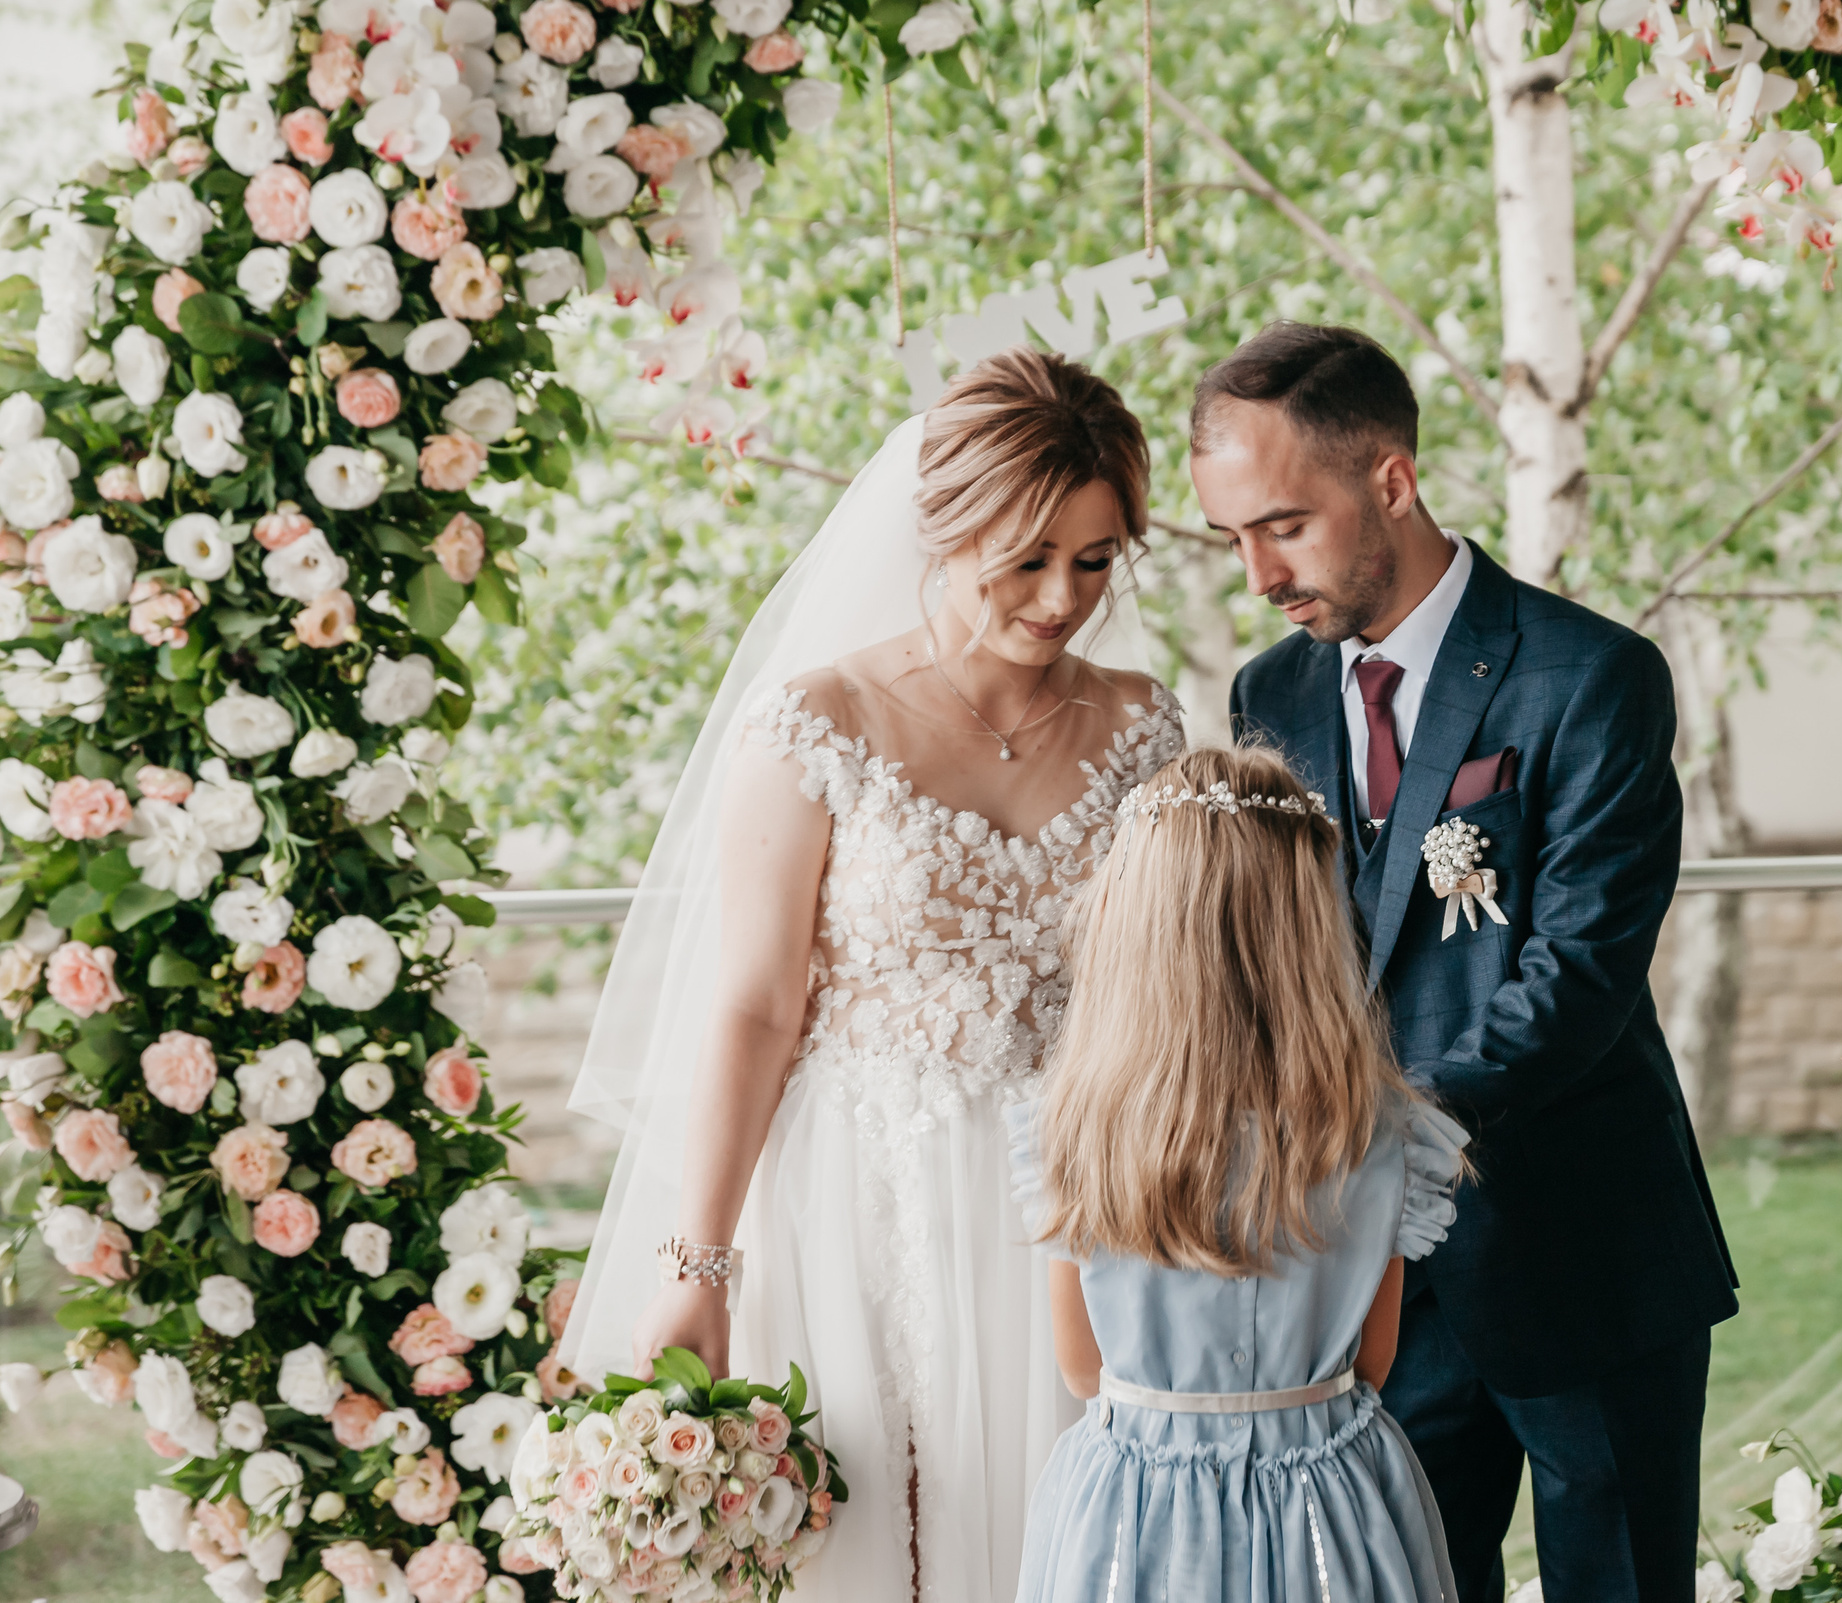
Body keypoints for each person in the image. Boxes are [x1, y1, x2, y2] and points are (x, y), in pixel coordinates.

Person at [561, 347, 1186, 1601]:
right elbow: (754, 1007)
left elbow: (1168, 988)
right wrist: (699, 1266)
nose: (1061, 599)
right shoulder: (817, 722)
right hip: (856, 1194)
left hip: (1071, 1204)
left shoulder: (1141, 727)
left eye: (1095, 559)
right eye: (1026, 559)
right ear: (942, 530)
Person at [1194, 323, 1741, 1602]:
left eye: (1283, 525)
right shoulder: (1270, 693)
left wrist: (1380, 1135)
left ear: (1391, 479)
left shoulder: (1590, 675)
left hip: (1582, 1251)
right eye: (1231, 537)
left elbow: (1579, 976)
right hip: (1376, 1288)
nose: (1258, 572)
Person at [1010, 744, 1469, 1600]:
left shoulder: (1072, 1131)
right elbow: (1371, 1364)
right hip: (1327, 1509)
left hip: (1137, 1511)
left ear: (1134, 920)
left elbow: (1081, 1366)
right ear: (1310, 924)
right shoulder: (1383, 1135)